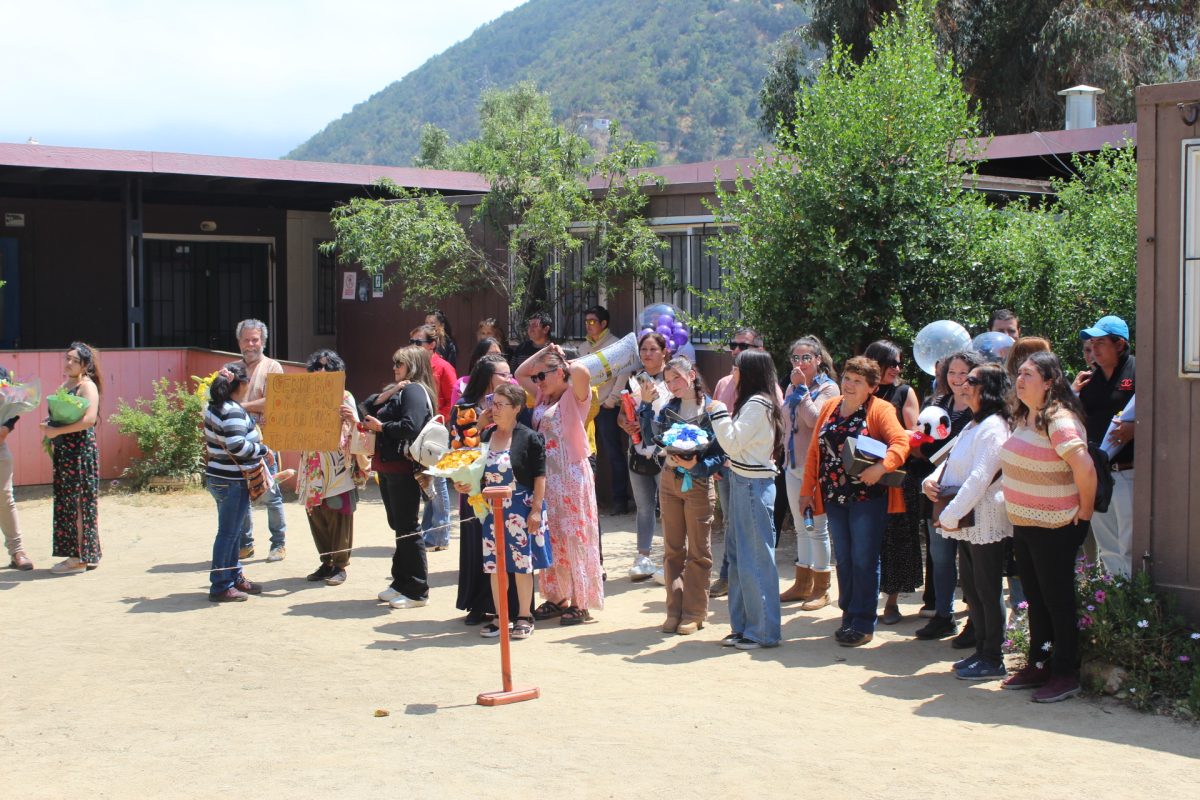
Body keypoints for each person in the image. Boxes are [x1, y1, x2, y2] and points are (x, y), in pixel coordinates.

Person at [1000, 351, 1096, 702]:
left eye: (1028, 374)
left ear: (1049, 382)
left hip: (1056, 526)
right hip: (1026, 524)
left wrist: (1085, 512)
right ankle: (1039, 663)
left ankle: (1065, 673)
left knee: (1057, 601)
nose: (1020, 380)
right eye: (1019, 374)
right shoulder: (1026, 416)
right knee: (1037, 599)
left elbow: (1085, 468)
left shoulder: (1059, 420)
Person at [799, 356, 910, 647]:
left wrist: (881, 468)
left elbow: (901, 443)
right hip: (833, 496)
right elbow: (814, 452)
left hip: (867, 498)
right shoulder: (830, 406)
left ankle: (863, 623)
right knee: (845, 559)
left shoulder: (881, 409)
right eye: (847, 378)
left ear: (872, 387)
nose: (848, 384)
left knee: (864, 559)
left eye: (857, 381)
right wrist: (806, 491)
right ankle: (849, 615)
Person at [923, 363, 1013, 680]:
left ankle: (993, 657)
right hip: (968, 520)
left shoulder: (994, 426)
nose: (963, 383)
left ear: (988, 390)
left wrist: (949, 515)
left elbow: (980, 478)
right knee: (973, 589)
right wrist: (931, 481)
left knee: (987, 590)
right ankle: (982, 650)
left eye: (972, 380)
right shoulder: (975, 423)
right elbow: (951, 459)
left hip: (984, 519)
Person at [458, 382, 554, 639]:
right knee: (495, 565)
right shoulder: (486, 436)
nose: (495, 409)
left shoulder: (530, 437)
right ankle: (501, 616)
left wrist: (536, 510)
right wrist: (464, 482)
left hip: (521, 507)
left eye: (501, 404)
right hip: (492, 510)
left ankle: (524, 616)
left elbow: (540, 476)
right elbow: (474, 470)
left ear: (517, 408)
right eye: (494, 404)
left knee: (522, 565)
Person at [516, 343, 603, 625]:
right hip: (548, 477)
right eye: (538, 377)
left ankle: (580, 601)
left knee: (574, 536)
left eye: (543, 375)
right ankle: (557, 596)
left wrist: (562, 359)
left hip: (571, 475)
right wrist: (543, 353)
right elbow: (520, 373)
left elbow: (581, 371)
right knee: (552, 534)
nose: (538, 380)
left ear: (559, 372)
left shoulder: (575, 396)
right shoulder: (542, 395)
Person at [639, 355, 724, 635]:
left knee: (698, 551)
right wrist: (645, 405)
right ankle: (674, 611)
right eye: (668, 380)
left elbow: (721, 454)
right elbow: (650, 439)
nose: (673, 384)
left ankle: (694, 613)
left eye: (677, 377)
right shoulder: (668, 408)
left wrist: (697, 467)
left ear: (692, 375)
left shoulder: (712, 408)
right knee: (672, 549)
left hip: (697, 482)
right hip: (669, 479)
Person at [709, 349, 786, 650]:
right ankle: (743, 627)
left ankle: (763, 631)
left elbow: (731, 442)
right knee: (739, 559)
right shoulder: (753, 402)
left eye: (737, 368)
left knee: (755, 560)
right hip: (743, 482)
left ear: (749, 371)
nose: (733, 373)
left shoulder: (758, 403)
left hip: (754, 486)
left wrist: (718, 411)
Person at [913, 350, 983, 641]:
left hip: (970, 494)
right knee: (940, 557)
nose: (957, 379)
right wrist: (917, 442)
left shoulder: (982, 409)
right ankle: (943, 616)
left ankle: (976, 621)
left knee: (971, 561)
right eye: (951, 372)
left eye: (963, 373)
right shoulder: (937, 403)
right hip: (938, 492)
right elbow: (924, 444)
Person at [361, 346, 436, 610]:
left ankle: (417, 590)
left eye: (399, 364)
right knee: (400, 526)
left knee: (407, 527)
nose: (394, 368)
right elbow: (366, 407)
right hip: (389, 467)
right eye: (394, 363)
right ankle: (401, 581)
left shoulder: (414, 390)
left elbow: (411, 426)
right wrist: (391, 391)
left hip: (402, 467)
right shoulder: (402, 390)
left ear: (412, 366)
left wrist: (382, 427)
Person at [452, 354, 519, 624]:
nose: (509, 379)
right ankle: (478, 604)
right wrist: (479, 426)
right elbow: (457, 448)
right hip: (474, 486)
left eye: (509, 374)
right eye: (503, 374)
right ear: (487, 377)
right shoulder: (464, 406)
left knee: (505, 543)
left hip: (504, 483)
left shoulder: (512, 402)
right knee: (477, 543)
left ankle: (510, 606)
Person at [297, 350, 370, 587]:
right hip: (312, 463)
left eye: (326, 367)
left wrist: (351, 419)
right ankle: (326, 561)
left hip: (337, 465)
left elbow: (359, 430)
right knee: (316, 514)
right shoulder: (305, 397)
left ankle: (340, 564)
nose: (321, 371)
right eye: (317, 367)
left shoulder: (344, 396)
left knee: (338, 513)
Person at [778, 336, 840, 608]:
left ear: (818, 359)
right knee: (800, 527)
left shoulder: (829, 388)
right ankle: (802, 585)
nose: (800, 363)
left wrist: (802, 391)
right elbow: (786, 421)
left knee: (817, 527)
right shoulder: (791, 386)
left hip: (815, 467)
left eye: (806, 358)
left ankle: (821, 588)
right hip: (792, 464)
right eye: (796, 358)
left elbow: (816, 421)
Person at [864, 340, 921, 625]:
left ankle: (892, 602)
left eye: (899, 363)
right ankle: (864, 602)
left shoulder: (904, 392)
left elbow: (916, 437)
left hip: (896, 477)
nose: (896, 369)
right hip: (863, 476)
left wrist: (892, 445)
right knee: (867, 541)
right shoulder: (861, 390)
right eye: (891, 363)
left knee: (897, 541)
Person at [1074, 315, 1135, 578]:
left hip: (1128, 472)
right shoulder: (1089, 380)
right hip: (1097, 474)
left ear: (1119, 345)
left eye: (1100, 343)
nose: (1094, 349)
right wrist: (1073, 392)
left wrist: (1136, 429)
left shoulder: (1139, 372)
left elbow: (1164, 413)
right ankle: (1114, 598)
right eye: (1091, 344)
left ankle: (1134, 599)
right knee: (1108, 546)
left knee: (1130, 545)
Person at [202, 361, 269, 601]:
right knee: (229, 534)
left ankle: (234, 576)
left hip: (219, 477)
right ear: (240, 385)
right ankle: (221, 585)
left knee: (232, 532)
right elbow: (237, 446)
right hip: (232, 480)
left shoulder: (213, 407)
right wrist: (263, 450)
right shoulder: (232, 410)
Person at [40, 342, 103, 575]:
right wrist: (49, 426)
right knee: (68, 502)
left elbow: (89, 420)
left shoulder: (87, 386)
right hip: (65, 451)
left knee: (79, 503)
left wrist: (57, 431)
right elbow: (61, 416)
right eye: (67, 358)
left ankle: (79, 559)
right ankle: (87, 554)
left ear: (85, 365)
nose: (68, 363)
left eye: (74, 360)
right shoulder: (66, 385)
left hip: (80, 452)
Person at [235, 319, 287, 563]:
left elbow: (274, 401)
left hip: (265, 440)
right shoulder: (232, 368)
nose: (250, 344)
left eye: (255, 339)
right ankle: (245, 544)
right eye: (246, 340)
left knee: (271, 493)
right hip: (237, 441)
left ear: (263, 341)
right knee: (240, 494)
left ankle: (278, 543)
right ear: (239, 342)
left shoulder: (273, 367)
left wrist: (240, 407)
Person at [619, 331, 669, 580]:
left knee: (668, 507)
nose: (647, 354)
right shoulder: (633, 379)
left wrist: (649, 424)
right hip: (638, 450)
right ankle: (643, 557)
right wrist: (627, 424)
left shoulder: (672, 379)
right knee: (644, 506)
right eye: (644, 350)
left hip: (664, 451)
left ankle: (670, 559)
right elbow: (622, 414)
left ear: (664, 352)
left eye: (653, 349)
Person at [578, 304, 633, 516]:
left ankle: (620, 501)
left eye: (592, 321)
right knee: (587, 452)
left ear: (604, 323)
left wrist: (611, 400)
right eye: (586, 322)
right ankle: (590, 500)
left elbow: (623, 373)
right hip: (586, 407)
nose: (588, 325)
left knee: (613, 453)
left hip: (606, 407)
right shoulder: (583, 347)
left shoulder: (615, 345)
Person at [410, 324, 457, 551]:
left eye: (418, 343)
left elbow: (453, 400)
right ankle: (430, 530)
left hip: (437, 430)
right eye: (412, 342)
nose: (413, 346)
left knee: (438, 481)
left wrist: (437, 420)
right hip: (420, 430)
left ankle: (440, 536)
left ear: (432, 345)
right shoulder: (414, 366)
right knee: (427, 481)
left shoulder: (444, 367)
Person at [0, 363, 32, 570]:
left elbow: (13, 405)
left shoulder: (1, 372)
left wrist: (6, 427)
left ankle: (17, 551)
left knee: (4, 497)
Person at [450, 337, 504, 408]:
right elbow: (456, 412)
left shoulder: (510, 383)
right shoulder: (462, 384)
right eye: (491, 355)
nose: (496, 360)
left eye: (499, 355)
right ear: (478, 359)